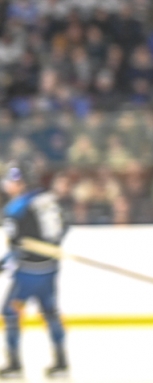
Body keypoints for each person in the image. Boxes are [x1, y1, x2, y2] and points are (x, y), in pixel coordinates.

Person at [0, 160, 68, 379]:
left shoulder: (15, 208)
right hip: (50, 269)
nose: (6, 184)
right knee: (50, 312)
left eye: (11, 180)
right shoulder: (48, 198)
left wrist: (3, 265)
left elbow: (16, 251)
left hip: (28, 273)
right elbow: (64, 227)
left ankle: (14, 364)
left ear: (21, 183)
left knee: (10, 312)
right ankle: (61, 361)